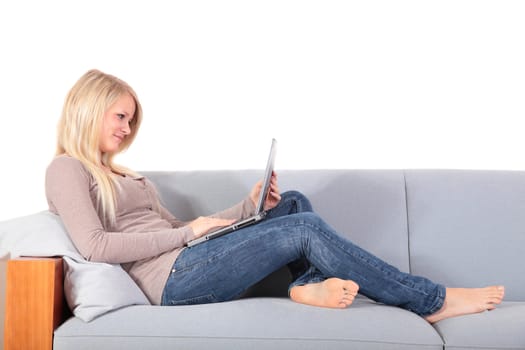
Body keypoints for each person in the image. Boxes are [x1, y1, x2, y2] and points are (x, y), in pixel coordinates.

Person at [45, 69, 505, 324]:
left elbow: (175, 232)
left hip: (186, 259)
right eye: (120, 117)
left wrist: (249, 208)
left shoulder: (124, 175)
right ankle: (431, 300)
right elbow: (95, 246)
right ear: (90, 109)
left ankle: (304, 286)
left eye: (130, 121)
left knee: (293, 204)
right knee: (302, 228)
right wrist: (189, 232)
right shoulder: (66, 168)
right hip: (168, 283)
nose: (126, 130)